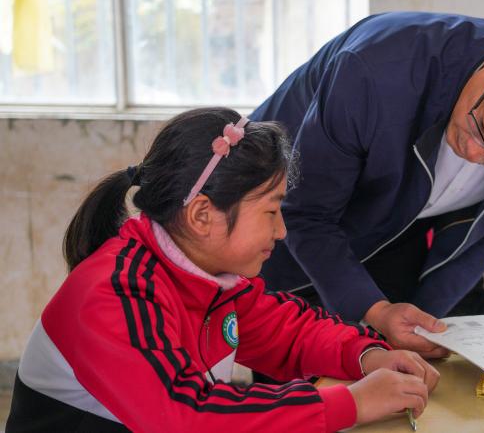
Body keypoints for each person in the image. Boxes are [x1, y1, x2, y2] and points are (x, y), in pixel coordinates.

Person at [5, 108, 439, 433]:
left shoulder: (208, 277)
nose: (282, 231)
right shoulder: (115, 293)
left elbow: (288, 332)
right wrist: (350, 403)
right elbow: (188, 416)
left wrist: (367, 356)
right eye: (270, 211)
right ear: (201, 215)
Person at [251, 12, 484, 358]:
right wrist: (373, 309)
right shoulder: (375, 72)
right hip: (281, 227)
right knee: (297, 372)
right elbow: (306, 215)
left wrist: (423, 323)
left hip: (392, 229)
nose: (474, 154)